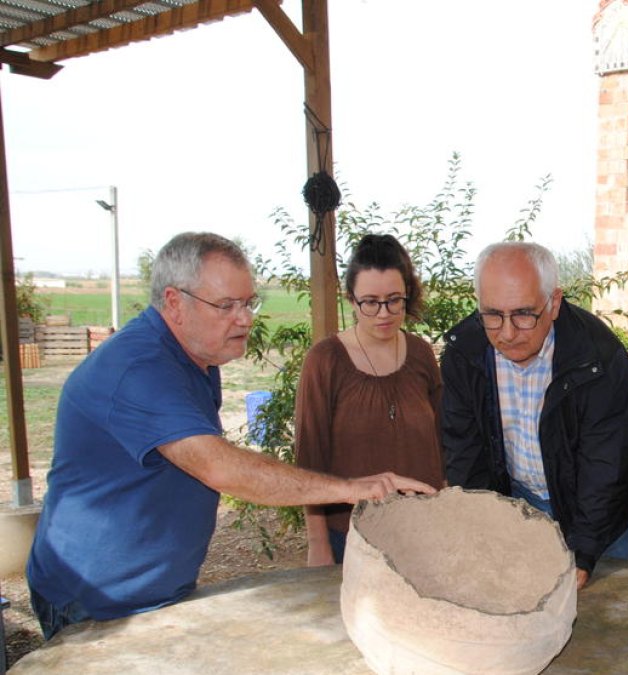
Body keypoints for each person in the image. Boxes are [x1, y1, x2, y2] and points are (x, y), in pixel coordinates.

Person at [24, 232, 435, 640]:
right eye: (226, 306)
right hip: (94, 601)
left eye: (247, 302)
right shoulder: (139, 368)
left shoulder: (197, 358)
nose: (246, 318)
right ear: (174, 303)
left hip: (152, 591)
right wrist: (351, 489)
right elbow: (221, 467)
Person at [440, 241, 628, 590]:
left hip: (593, 509)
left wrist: (584, 552)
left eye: (523, 314)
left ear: (554, 302)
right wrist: (484, 529)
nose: (506, 332)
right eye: (492, 314)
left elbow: (605, 465)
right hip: (515, 501)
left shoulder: (599, 357)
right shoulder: (464, 352)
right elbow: (465, 453)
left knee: (601, 619)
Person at [294, 234, 445, 566]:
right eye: (370, 302)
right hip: (351, 537)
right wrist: (318, 544)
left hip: (422, 532)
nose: (384, 313)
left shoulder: (420, 354)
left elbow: (441, 441)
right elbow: (309, 459)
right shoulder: (325, 360)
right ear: (351, 299)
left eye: (394, 300)